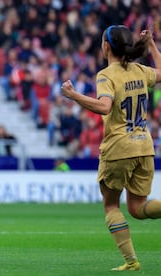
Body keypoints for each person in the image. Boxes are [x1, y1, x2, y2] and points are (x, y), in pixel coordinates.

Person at [61, 26, 161, 271]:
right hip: (144, 147)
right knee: (137, 209)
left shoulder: (106, 75)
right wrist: (152, 46)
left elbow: (105, 107)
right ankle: (131, 261)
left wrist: (74, 96)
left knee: (111, 206)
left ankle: (131, 261)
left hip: (119, 147)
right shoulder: (140, 70)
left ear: (106, 46)